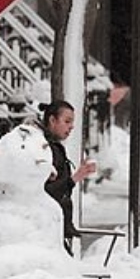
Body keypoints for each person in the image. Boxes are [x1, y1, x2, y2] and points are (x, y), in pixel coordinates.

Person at [40, 100, 96, 250]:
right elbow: (46, 191)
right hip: (46, 230)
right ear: (52, 120)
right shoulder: (43, 150)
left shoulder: (56, 148)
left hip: (57, 228)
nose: (71, 126)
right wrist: (74, 178)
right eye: (67, 121)